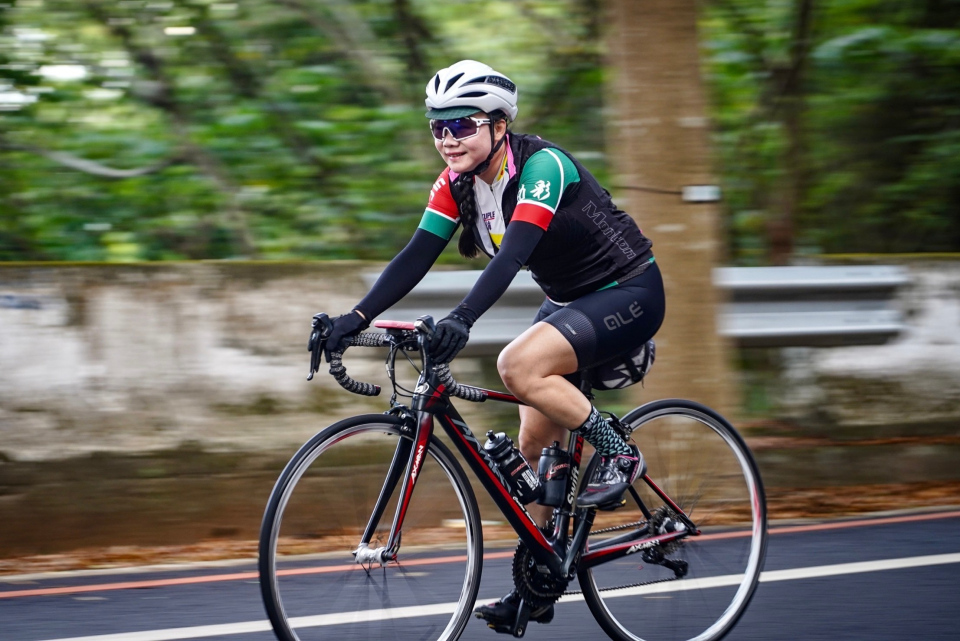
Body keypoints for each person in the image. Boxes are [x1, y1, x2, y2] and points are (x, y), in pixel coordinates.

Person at [322, 60, 665, 628]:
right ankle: (539, 586)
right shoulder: (457, 184)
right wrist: (353, 316)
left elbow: (512, 255)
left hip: (628, 289)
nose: (447, 138)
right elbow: (415, 255)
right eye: (437, 127)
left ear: (498, 125)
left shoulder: (542, 168)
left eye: (461, 125)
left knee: (517, 367)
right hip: (569, 301)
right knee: (531, 449)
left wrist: (463, 318)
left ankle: (620, 451)